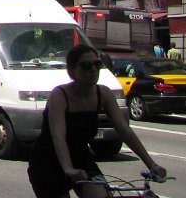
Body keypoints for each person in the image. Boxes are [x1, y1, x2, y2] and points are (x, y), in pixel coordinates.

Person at [27, 44, 165, 198]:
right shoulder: (59, 95)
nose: (93, 69)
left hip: (80, 157)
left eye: (97, 64)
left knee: (100, 194)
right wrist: (68, 169)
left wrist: (151, 164)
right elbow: (58, 136)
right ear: (71, 71)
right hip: (47, 160)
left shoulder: (103, 93)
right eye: (86, 65)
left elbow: (124, 130)